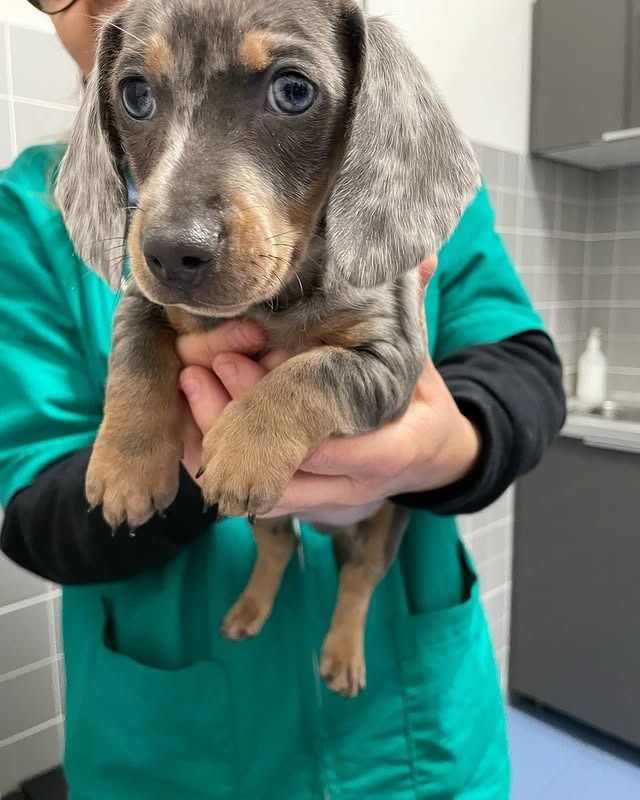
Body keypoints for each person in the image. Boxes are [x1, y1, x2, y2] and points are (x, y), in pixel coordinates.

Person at [0, 1, 565, 798]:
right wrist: (167, 440)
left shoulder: (397, 178)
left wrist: (444, 449)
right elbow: (27, 509)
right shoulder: (32, 212)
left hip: (407, 749)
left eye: (290, 91)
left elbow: (524, 370)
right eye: (138, 98)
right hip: (171, 758)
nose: (176, 229)